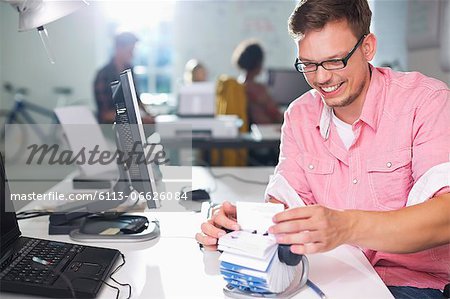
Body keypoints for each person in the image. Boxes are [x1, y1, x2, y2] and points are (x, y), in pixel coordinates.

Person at [196, 0, 450, 298]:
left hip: (411, 283)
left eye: (333, 61)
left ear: (367, 47)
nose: (321, 78)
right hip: (327, 275)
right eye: (309, 64)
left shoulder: (426, 101)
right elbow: (284, 208)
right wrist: (242, 225)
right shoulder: (300, 115)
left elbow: (445, 217)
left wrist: (346, 226)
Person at [93, 32, 153, 124]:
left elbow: (136, 98)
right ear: (119, 48)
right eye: (130, 51)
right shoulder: (103, 75)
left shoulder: (129, 70)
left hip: (130, 125)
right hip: (110, 128)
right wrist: (137, 119)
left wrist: (149, 114)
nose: (133, 55)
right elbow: (105, 114)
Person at [232, 40, 283, 124]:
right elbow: (275, 113)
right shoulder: (257, 89)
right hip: (265, 131)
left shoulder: (238, 85)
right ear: (258, 63)